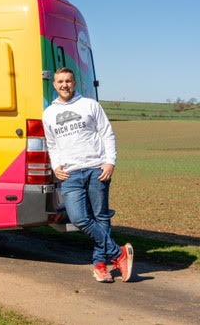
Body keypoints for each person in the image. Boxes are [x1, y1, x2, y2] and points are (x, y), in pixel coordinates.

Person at [42, 67, 133, 283]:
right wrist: (55, 166)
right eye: (60, 81)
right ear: (55, 85)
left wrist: (110, 162)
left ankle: (100, 266)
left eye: (68, 81)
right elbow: (52, 144)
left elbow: (107, 133)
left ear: (74, 83)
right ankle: (118, 253)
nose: (64, 85)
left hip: (96, 169)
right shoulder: (49, 113)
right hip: (70, 174)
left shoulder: (90, 105)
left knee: (101, 217)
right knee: (79, 218)